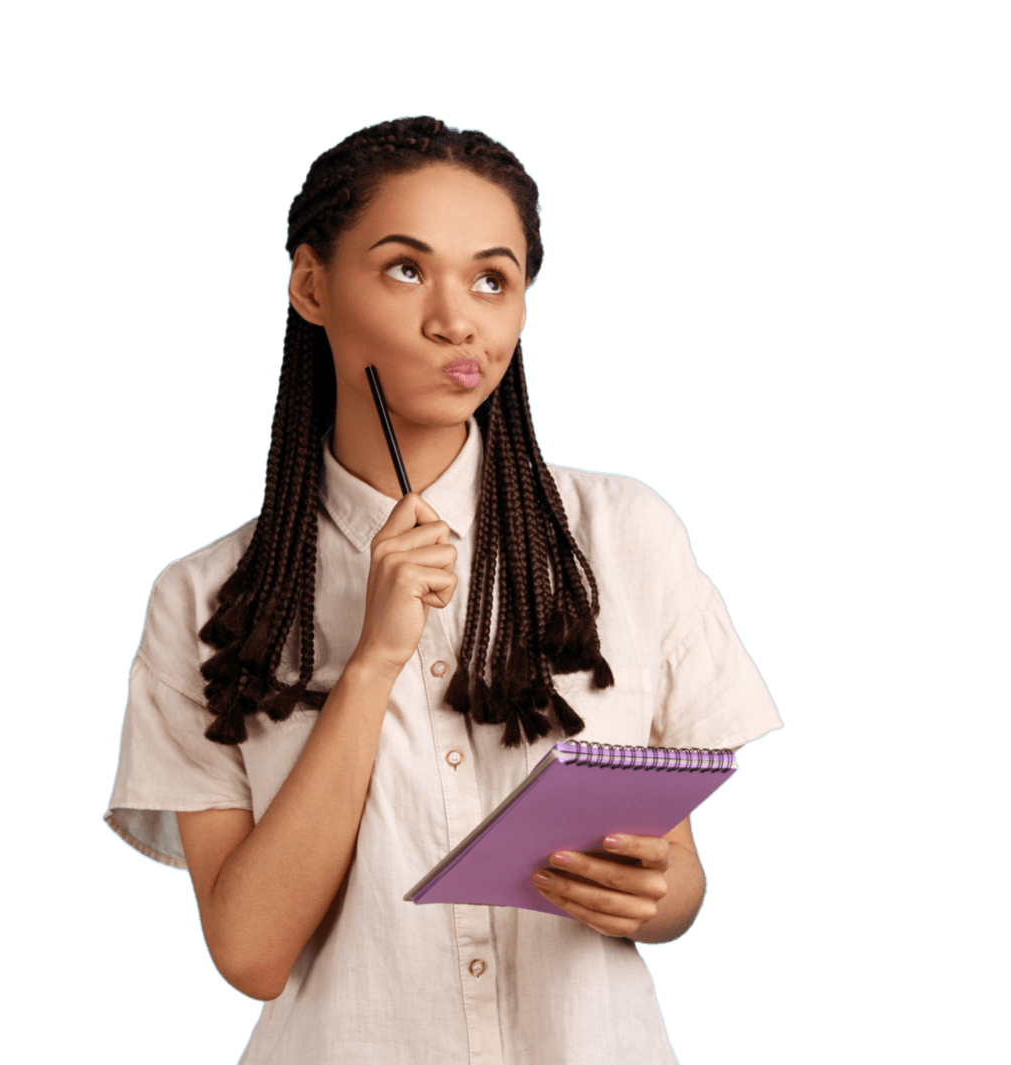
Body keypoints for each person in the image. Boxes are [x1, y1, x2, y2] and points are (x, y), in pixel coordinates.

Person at [103, 115, 783, 1064]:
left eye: (493, 279)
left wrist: (657, 892)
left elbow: (678, 885)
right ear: (310, 285)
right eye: (407, 268)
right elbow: (250, 952)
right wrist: (373, 659)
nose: (457, 319)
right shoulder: (201, 597)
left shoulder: (622, 533)